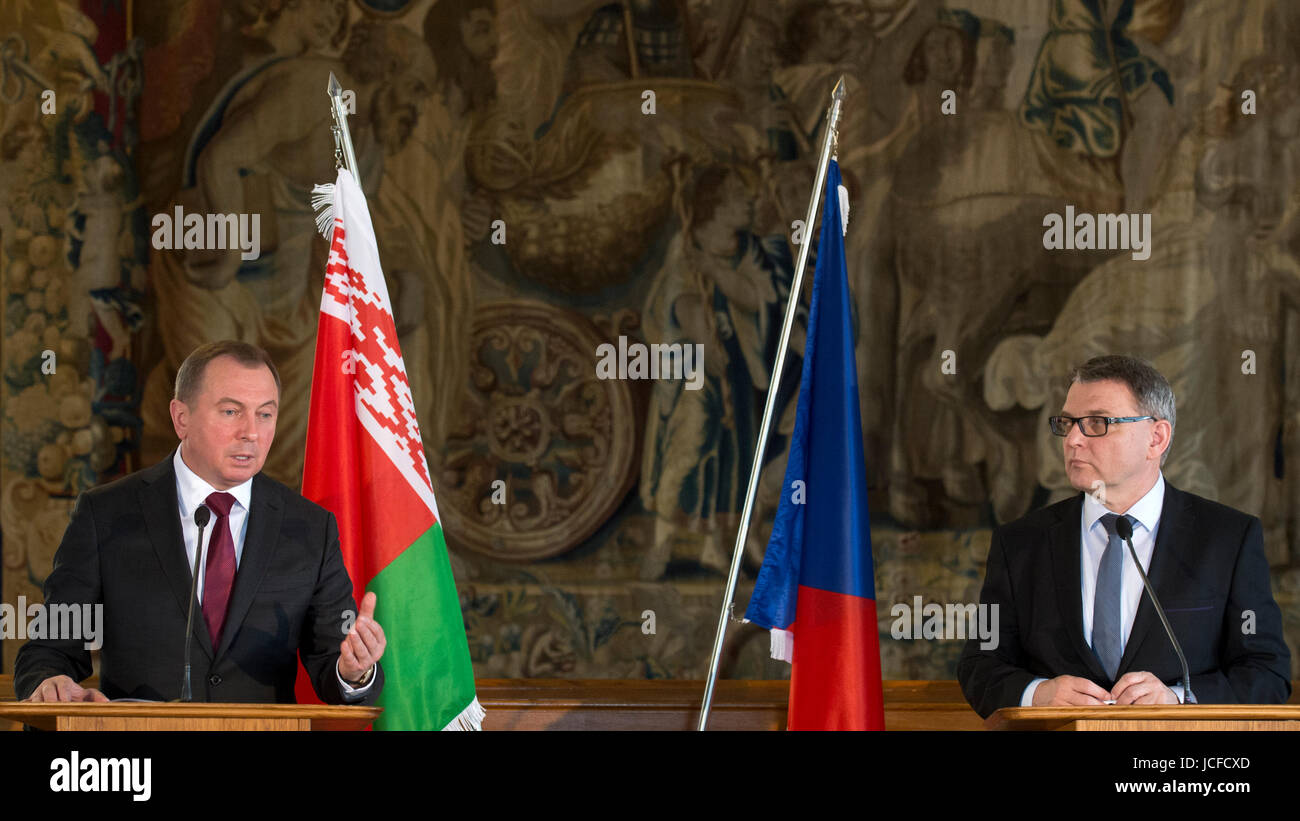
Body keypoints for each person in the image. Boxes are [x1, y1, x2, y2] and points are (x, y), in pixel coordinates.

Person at [15, 340, 386, 704]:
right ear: (181, 418)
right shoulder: (107, 514)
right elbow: (51, 646)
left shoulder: (310, 527)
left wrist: (353, 671)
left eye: (265, 414)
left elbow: (331, 663)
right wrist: (51, 679)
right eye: (230, 411)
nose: (251, 433)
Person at [958, 355, 1290, 717]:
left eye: (1097, 423)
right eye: (1067, 423)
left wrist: (1178, 699)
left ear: (1156, 438)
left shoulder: (1228, 538)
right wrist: (1038, 694)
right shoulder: (1020, 543)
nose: (1072, 440)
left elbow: (1266, 672)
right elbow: (980, 663)